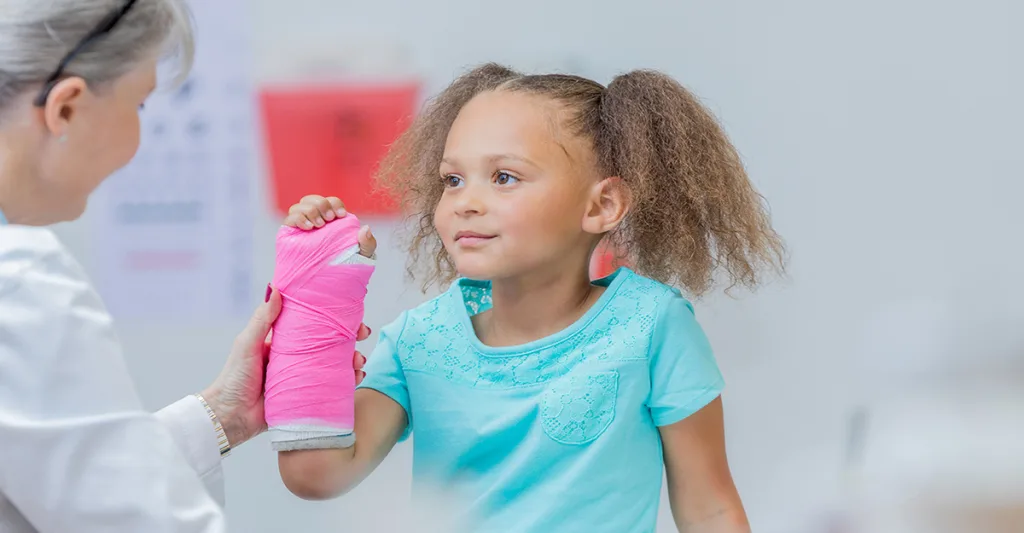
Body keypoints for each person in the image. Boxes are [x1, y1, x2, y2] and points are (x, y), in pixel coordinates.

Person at [276, 63, 786, 533]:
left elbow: (709, 507)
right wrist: (316, 296)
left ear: (603, 205)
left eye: (504, 177)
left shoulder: (652, 326)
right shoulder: (419, 342)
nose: (465, 203)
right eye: (452, 180)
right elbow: (314, 475)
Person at [0, 1, 369, 531]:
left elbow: (66, 474)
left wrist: (225, 412)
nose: (137, 139)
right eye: (140, 106)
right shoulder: (21, 282)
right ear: (67, 108)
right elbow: (137, 519)